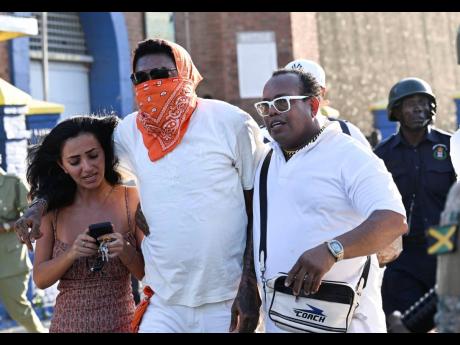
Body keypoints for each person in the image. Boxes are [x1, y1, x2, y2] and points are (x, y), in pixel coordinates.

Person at [16, 39, 264, 333]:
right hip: (164, 300)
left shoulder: (231, 123)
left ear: (184, 72)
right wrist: (37, 207)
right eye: (141, 78)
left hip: (224, 298)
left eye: (161, 74)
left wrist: (250, 286)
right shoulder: (129, 133)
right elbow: (70, 165)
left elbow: (258, 206)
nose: (151, 84)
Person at [252, 68, 407, 332]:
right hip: (281, 317)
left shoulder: (348, 154)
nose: (272, 111)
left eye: (281, 102)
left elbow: (393, 220)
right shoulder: (264, 158)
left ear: (312, 105)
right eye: (265, 106)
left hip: (345, 320)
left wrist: (332, 250)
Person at [26, 115, 145, 332]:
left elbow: (146, 275)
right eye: (75, 162)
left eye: (93, 156)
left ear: (105, 154)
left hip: (122, 324)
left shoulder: (131, 199)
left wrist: (125, 250)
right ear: (62, 165)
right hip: (66, 325)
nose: (87, 167)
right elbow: (40, 279)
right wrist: (71, 253)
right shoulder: (52, 210)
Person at [374, 77, 456, 323]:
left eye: (424, 103)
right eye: (411, 103)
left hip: (445, 244)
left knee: (448, 317)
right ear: (396, 111)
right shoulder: (381, 155)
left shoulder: (451, 146)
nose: (419, 108)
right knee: (400, 322)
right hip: (402, 252)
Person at [0, 161, 47, 333]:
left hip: (9, 262)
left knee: (20, 311)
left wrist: (5, 227)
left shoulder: (13, 183)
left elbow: (31, 217)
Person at [284, 59, 371, 149]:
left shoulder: (346, 131)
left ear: (322, 92)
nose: (295, 97)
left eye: (306, 90)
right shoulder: (270, 139)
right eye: (287, 92)